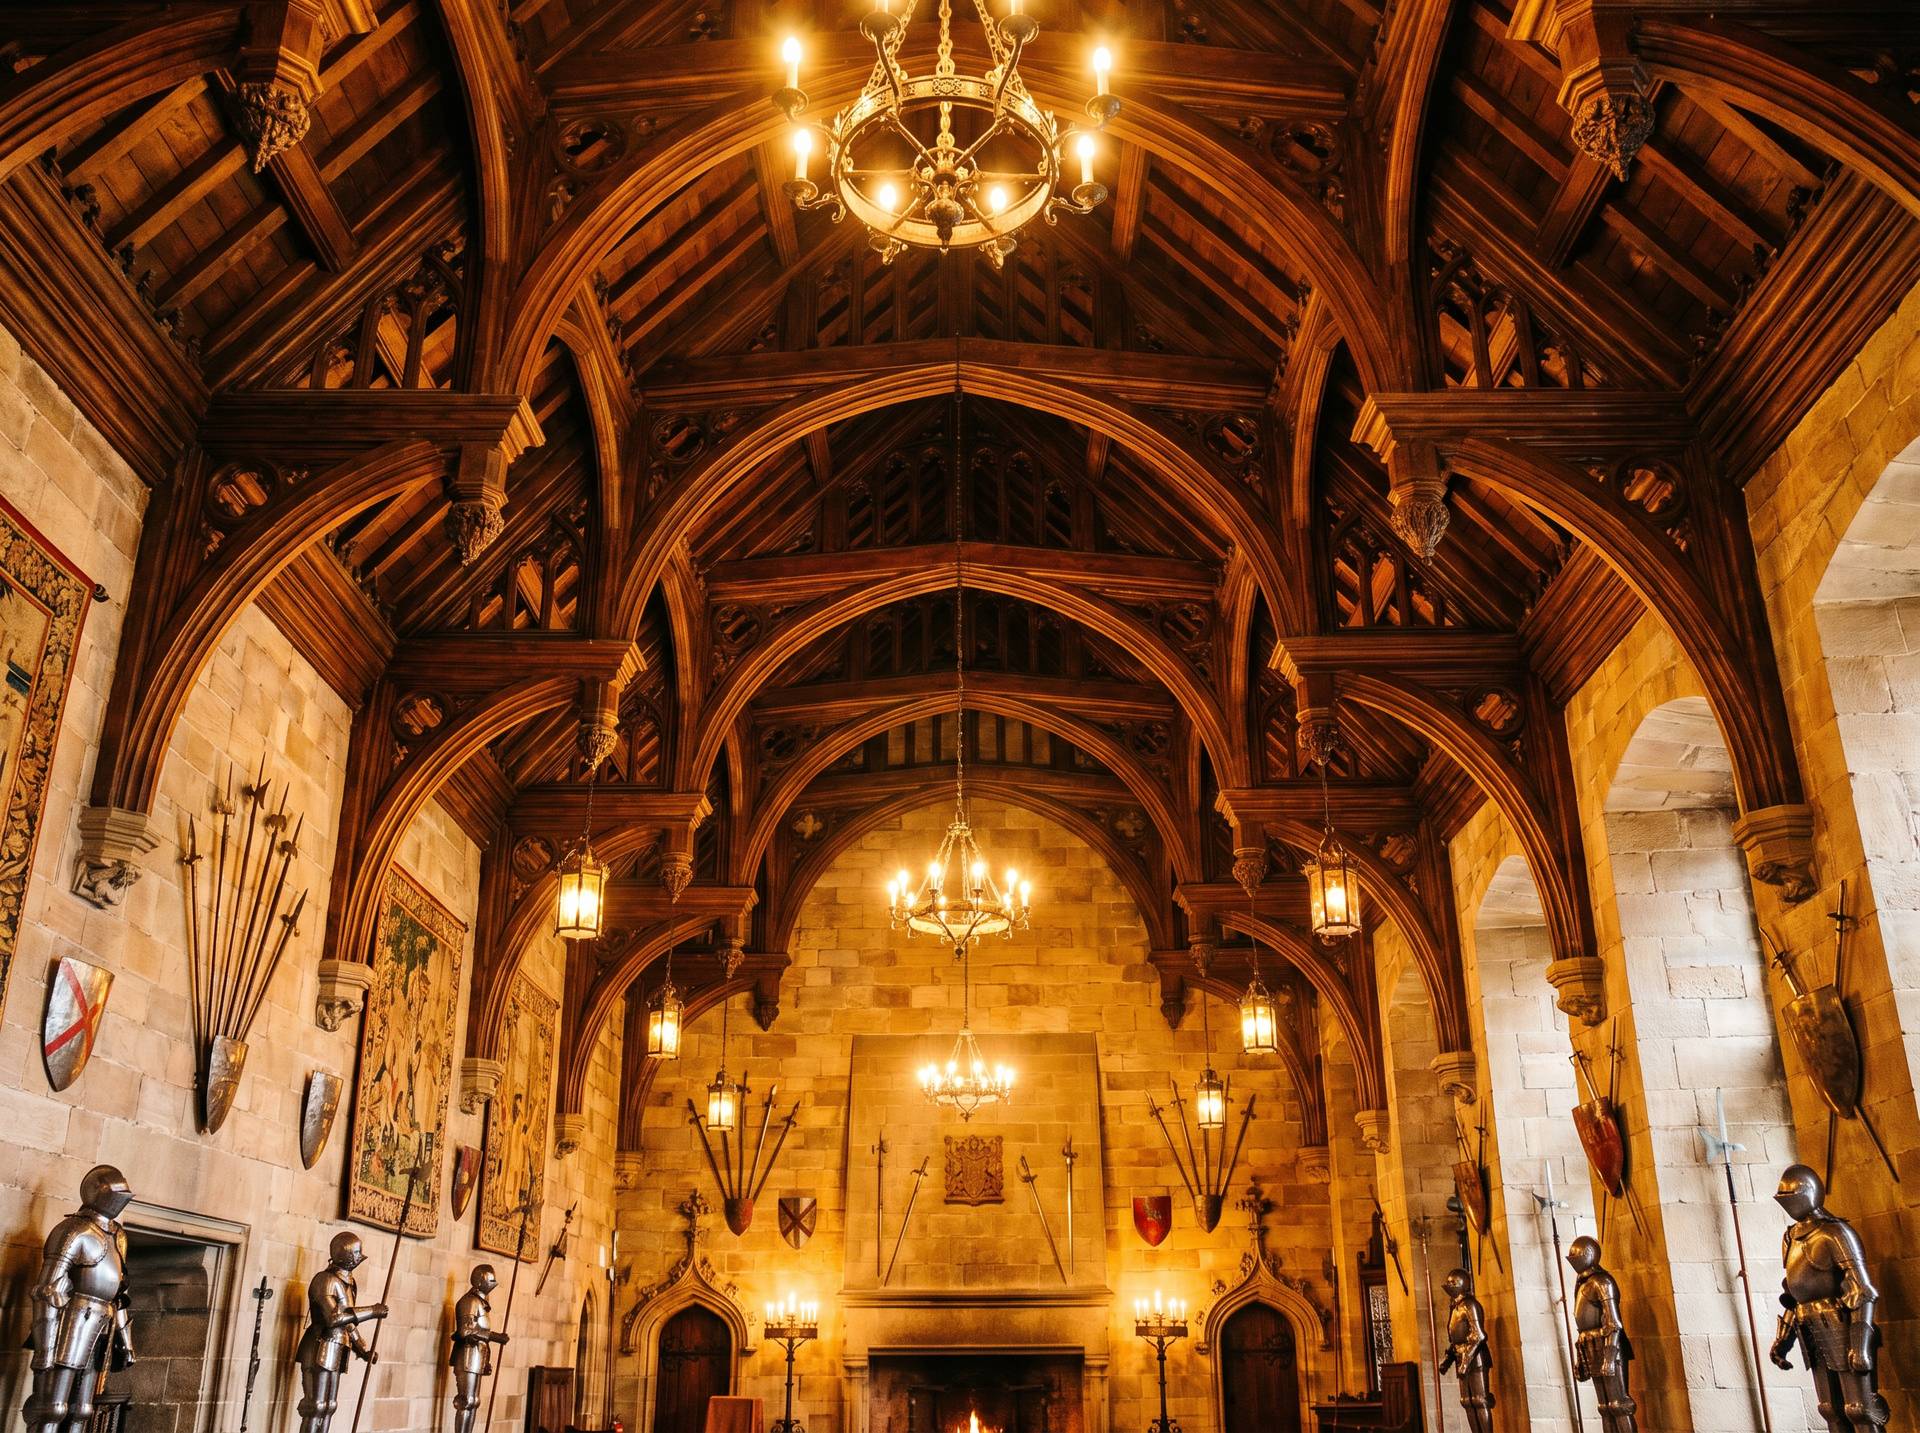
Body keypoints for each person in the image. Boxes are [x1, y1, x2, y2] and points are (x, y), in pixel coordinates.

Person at [1770, 1164, 1889, 1432]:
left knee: (1859, 1409)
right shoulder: (1790, 1238)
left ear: (1809, 1194)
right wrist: (1783, 1339)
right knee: (1829, 1408)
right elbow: (1793, 1295)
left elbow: (1862, 1290)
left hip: (1840, 1322)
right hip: (1808, 1323)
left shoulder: (1835, 1233)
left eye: (1791, 1196)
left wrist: (1859, 1345)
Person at [23, 1166, 136, 1433]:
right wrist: (45, 1351)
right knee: (51, 1407)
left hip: (102, 1323)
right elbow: (48, 1291)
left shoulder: (118, 1237)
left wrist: (126, 1342)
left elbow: (119, 1294)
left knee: (82, 1411)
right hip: (71, 1320)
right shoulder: (73, 1230)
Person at [296, 1231, 390, 1433]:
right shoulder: (325, 1280)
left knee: (330, 1406)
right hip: (319, 1344)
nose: (359, 1257)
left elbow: (348, 1324)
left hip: (338, 1346)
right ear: (345, 1254)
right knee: (316, 1406)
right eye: (356, 1252)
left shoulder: (348, 1282)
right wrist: (372, 1311)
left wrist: (362, 1348)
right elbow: (334, 1318)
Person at [1568, 1235, 1637, 1433]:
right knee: (1605, 1407)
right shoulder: (1583, 1282)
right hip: (1591, 1343)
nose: (1573, 1260)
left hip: (1609, 1345)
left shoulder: (1602, 1282)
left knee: (1619, 1405)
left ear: (1588, 1255)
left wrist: (1609, 1356)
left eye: (1576, 1256)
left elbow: (1613, 1323)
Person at [449, 1264, 510, 1433]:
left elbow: (480, 1335)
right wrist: (494, 1336)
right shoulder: (469, 1301)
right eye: (490, 1280)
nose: (492, 1283)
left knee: (474, 1401)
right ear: (480, 1280)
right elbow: (466, 1331)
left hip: (477, 1356)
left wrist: (486, 1361)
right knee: (465, 1401)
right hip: (467, 1355)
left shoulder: (481, 1303)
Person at [1435, 1268, 1493, 1433]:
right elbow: (1456, 1339)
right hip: (1461, 1356)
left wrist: (1466, 1360)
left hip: (1476, 1357)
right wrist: (1448, 1360)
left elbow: (1479, 1335)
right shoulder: (1454, 1307)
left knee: (1480, 1400)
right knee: (1466, 1401)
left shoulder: (1470, 1304)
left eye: (1453, 1283)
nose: (1450, 1286)